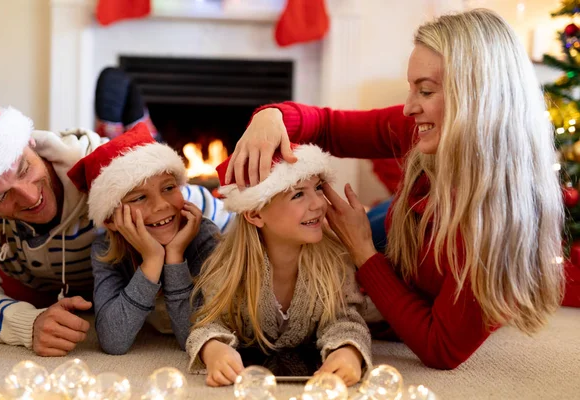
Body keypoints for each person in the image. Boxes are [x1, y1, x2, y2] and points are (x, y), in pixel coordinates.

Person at [222, 9, 565, 369]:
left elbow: (441, 349)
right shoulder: (420, 132)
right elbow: (329, 126)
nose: (408, 106)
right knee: (269, 244)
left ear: (477, 97)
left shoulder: (499, 222)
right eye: (411, 87)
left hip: (382, 249)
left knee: (325, 258)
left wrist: (362, 252)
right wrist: (271, 116)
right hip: (393, 231)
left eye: (426, 90)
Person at [0, 103, 231, 356]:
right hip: (63, 297)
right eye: (0, 198)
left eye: (24, 169)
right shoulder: (107, 246)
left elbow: (237, 223)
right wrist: (27, 324)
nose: (30, 197)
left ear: (30, 142)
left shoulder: (120, 171)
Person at [186, 143, 372, 387]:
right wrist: (212, 348)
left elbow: (346, 320)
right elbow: (208, 323)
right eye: (298, 194)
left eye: (317, 188)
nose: (318, 203)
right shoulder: (227, 268)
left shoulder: (336, 260)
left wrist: (348, 351)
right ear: (255, 214)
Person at [67, 123, 219, 354]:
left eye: (169, 188)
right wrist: (152, 260)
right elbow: (113, 341)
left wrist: (175, 257)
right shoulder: (106, 248)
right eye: (139, 198)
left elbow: (195, 335)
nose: (161, 206)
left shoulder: (202, 236)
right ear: (110, 220)